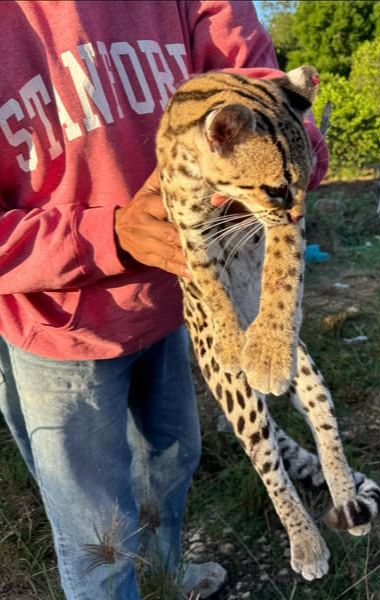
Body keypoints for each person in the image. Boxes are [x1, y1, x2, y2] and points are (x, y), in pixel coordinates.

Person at [0, 2, 328, 599]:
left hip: (176, 299)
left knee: (173, 458)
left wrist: (291, 159)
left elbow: (254, 79)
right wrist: (111, 234)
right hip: (62, 327)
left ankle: (166, 575)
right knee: (97, 535)